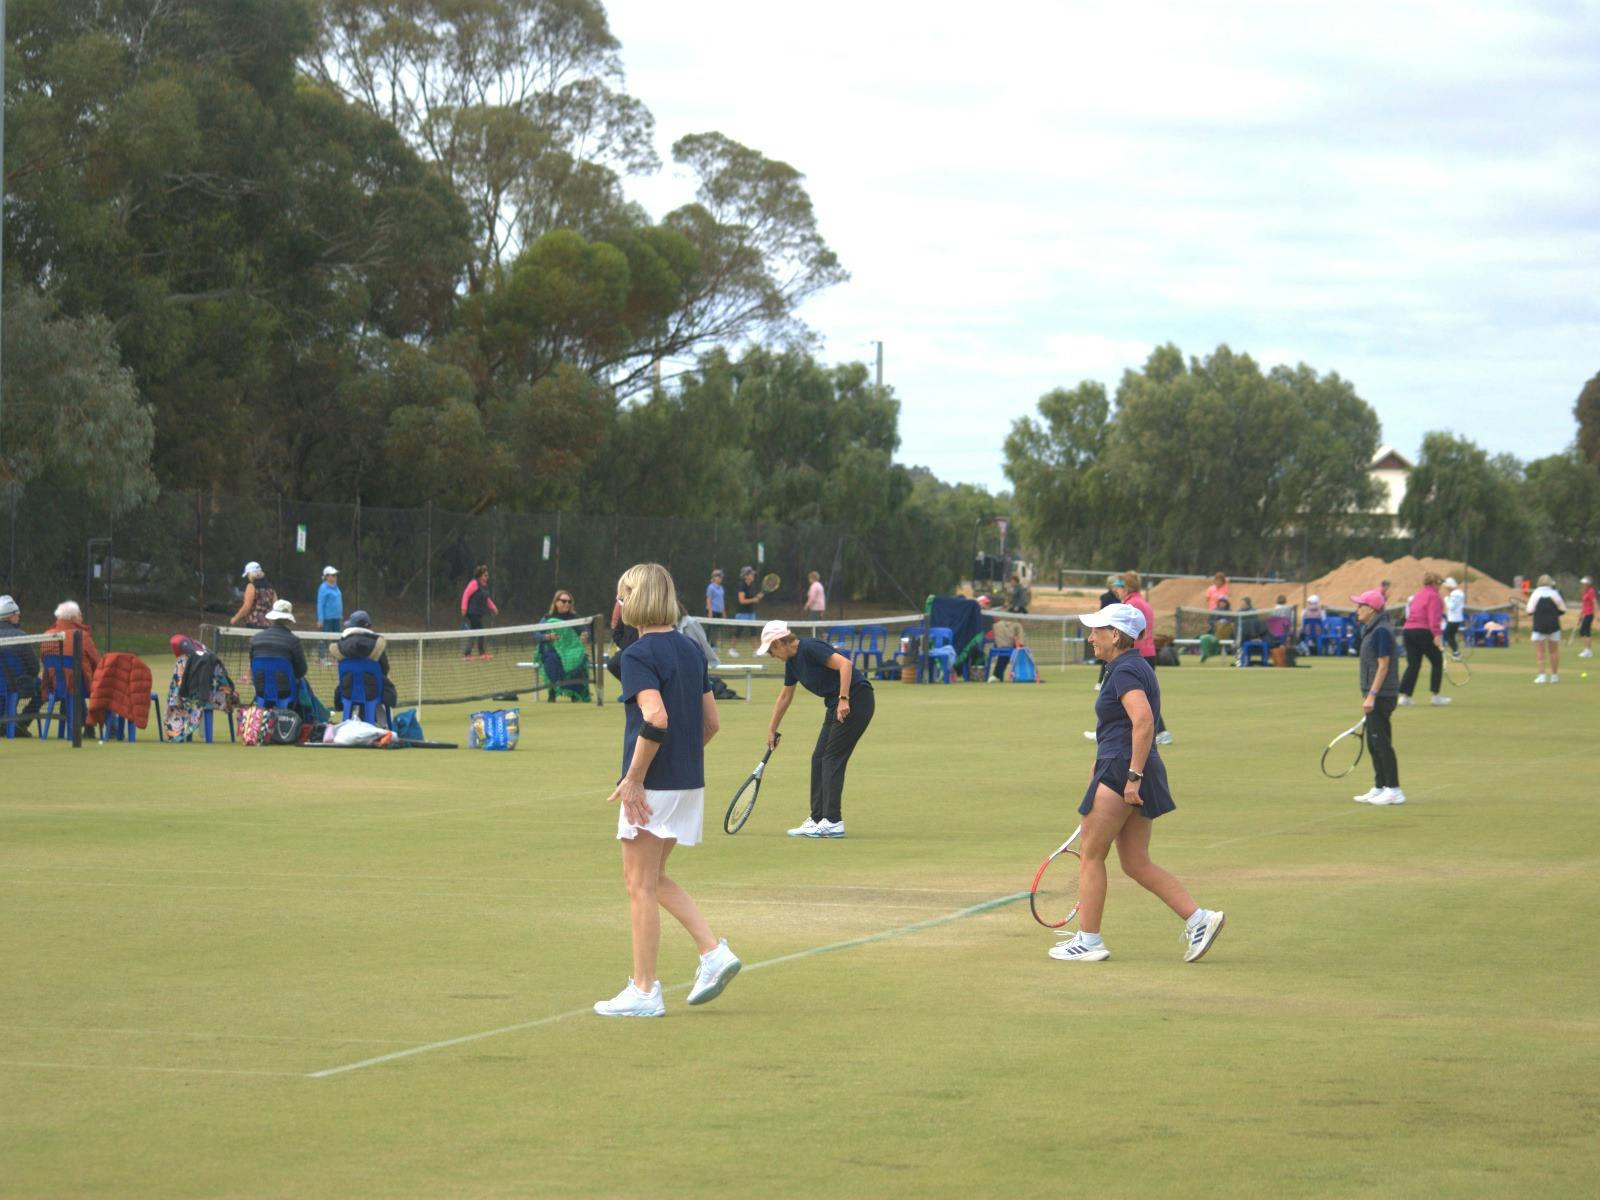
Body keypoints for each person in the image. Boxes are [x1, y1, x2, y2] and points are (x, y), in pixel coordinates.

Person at [594, 562, 740, 1019]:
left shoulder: (639, 656)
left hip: (653, 787)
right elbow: (711, 722)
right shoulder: (691, 651)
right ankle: (712, 952)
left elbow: (656, 718)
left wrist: (635, 777)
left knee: (638, 884)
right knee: (654, 880)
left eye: (622, 594)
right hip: (686, 784)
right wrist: (678, 761)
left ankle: (644, 990)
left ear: (633, 599)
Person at [1050, 603, 1225, 964]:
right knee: (1135, 862)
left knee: (1092, 855)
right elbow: (1120, 729)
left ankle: (1089, 940)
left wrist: (1132, 775)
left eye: (1097, 631)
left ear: (1115, 635)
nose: (1090, 638)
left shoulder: (1124, 670)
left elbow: (1144, 722)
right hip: (1124, 767)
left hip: (1125, 770)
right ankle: (1199, 919)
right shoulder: (1134, 666)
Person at [758, 617, 875, 839]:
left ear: (780, 643)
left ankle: (832, 822)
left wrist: (843, 698)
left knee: (831, 758)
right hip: (836, 705)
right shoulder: (792, 663)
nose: (772, 656)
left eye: (771, 651)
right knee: (819, 758)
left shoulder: (810, 647)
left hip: (856, 700)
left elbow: (845, 665)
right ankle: (817, 819)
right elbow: (785, 697)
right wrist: (772, 729)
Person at [1350, 589, 1404, 805]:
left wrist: (1372, 695)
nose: (1357, 610)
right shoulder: (1371, 629)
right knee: (1374, 743)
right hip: (1373, 693)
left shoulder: (1381, 630)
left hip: (1382, 694)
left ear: (1371, 609)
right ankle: (1380, 786)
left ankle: (1394, 790)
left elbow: (1383, 666)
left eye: (1360, 605)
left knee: (1381, 742)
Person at [40, 600, 104, 731]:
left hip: (55, 686)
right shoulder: (83, 636)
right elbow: (97, 663)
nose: (82, 618)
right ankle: (112, 729)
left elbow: (44, 661)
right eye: (80, 615)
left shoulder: (46, 635)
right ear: (74, 618)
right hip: (78, 686)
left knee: (70, 682)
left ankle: (85, 726)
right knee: (101, 685)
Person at [163, 635, 239, 742]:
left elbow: (176, 689)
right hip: (216, 697)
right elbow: (225, 682)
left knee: (182, 699)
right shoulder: (212, 657)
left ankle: (181, 733)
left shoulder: (182, 662)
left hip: (191, 698)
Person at [1398, 572, 1450, 707]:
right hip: (1423, 631)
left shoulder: (1418, 595)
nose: (1440, 586)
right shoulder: (1434, 597)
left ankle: (1404, 697)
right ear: (1434, 583)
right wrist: (1437, 635)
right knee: (1437, 662)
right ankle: (1435, 696)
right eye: (1439, 583)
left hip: (1408, 631)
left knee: (1413, 664)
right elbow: (1433, 618)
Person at [331, 610, 398, 711]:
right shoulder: (377, 645)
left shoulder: (340, 646)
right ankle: (381, 724)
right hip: (374, 693)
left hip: (347, 692)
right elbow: (385, 669)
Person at [0, 594, 45, 735]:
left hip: (6, 686)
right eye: (17, 614)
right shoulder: (20, 635)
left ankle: (6, 721)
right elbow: (34, 668)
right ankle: (22, 722)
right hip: (18, 685)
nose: (19, 617)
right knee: (44, 687)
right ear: (11, 616)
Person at [537, 590, 591, 702]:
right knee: (552, 660)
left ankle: (575, 694)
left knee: (577, 660)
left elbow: (585, 631)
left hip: (571, 651)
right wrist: (547, 637)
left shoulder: (575, 617)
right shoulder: (547, 618)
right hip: (552, 650)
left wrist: (585, 636)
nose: (567, 604)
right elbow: (535, 633)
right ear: (556, 602)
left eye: (569, 601)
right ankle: (552, 692)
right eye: (564, 601)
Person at [250, 599, 307, 698]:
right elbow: (301, 671)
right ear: (289, 620)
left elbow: (252, 666)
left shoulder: (255, 639)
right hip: (286, 692)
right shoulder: (294, 641)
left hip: (261, 690)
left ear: (272, 618)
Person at [1526, 574, 1567, 683]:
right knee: (1554, 651)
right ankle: (1554, 676)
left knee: (1540, 652)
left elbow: (1529, 610)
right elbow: (1563, 609)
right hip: (1553, 625)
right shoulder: (1555, 594)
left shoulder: (1535, 594)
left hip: (1539, 625)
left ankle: (1542, 676)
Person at [459, 565, 498, 659]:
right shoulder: (474, 583)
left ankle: (467, 654)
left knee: (474, 632)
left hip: (478, 614)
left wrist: (494, 608)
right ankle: (481, 653)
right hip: (472, 613)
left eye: (487, 575)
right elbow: (466, 594)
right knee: (481, 631)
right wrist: (463, 608)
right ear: (480, 576)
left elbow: (487, 599)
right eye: (485, 575)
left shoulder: (483, 587)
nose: (487, 577)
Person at [229, 561, 277, 628]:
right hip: (269, 625)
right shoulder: (271, 588)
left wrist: (235, 618)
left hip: (254, 623)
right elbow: (275, 606)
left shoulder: (251, 586)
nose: (248, 577)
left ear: (251, 574)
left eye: (248, 575)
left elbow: (247, 607)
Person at [316, 566, 343, 665]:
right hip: (327, 619)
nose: (335, 577)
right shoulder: (323, 588)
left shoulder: (336, 587)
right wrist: (320, 619)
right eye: (333, 575)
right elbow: (320, 604)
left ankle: (336, 659)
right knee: (324, 638)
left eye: (335, 575)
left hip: (337, 618)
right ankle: (321, 659)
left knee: (337, 639)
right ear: (326, 577)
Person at [1442, 577, 1467, 657]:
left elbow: (1451, 606)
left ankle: (1456, 653)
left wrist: (1446, 599)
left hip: (1453, 618)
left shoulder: (1454, 594)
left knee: (1448, 635)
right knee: (1451, 636)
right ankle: (1455, 652)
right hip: (1458, 617)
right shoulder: (1461, 593)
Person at [704, 568, 726, 649]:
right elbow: (708, 599)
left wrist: (723, 612)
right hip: (712, 611)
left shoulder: (721, 588)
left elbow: (721, 600)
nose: (720, 578)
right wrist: (710, 611)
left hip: (719, 611)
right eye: (719, 576)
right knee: (709, 629)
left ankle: (713, 645)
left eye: (721, 577)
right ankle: (706, 645)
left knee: (716, 630)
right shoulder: (710, 587)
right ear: (714, 577)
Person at [1577, 576, 1595, 659]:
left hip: (1589, 614)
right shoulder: (1585, 592)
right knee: (1583, 632)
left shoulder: (1591, 591)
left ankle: (1588, 651)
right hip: (1585, 614)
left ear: (1588, 584)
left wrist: (1598, 614)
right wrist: (1580, 616)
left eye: (1584, 583)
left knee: (1585, 631)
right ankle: (1587, 650)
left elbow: (1595, 603)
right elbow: (1584, 606)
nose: (1582, 585)